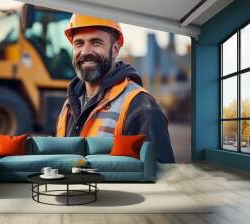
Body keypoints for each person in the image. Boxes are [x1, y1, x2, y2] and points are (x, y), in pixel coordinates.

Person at [56, 14, 175, 163]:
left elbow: (159, 174)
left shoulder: (141, 106)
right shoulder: (69, 104)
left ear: (115, 49)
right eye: (78, 43)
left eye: (96, 42)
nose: (85, 51)